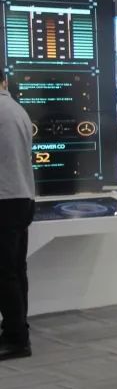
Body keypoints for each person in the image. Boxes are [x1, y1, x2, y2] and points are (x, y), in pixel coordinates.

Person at [0, 69, 34, 361]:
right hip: (22, 197)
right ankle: (17, 327)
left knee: (5, 273)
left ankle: (16, 338)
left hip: (5, 198)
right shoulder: (16, 109)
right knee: (16, 269)